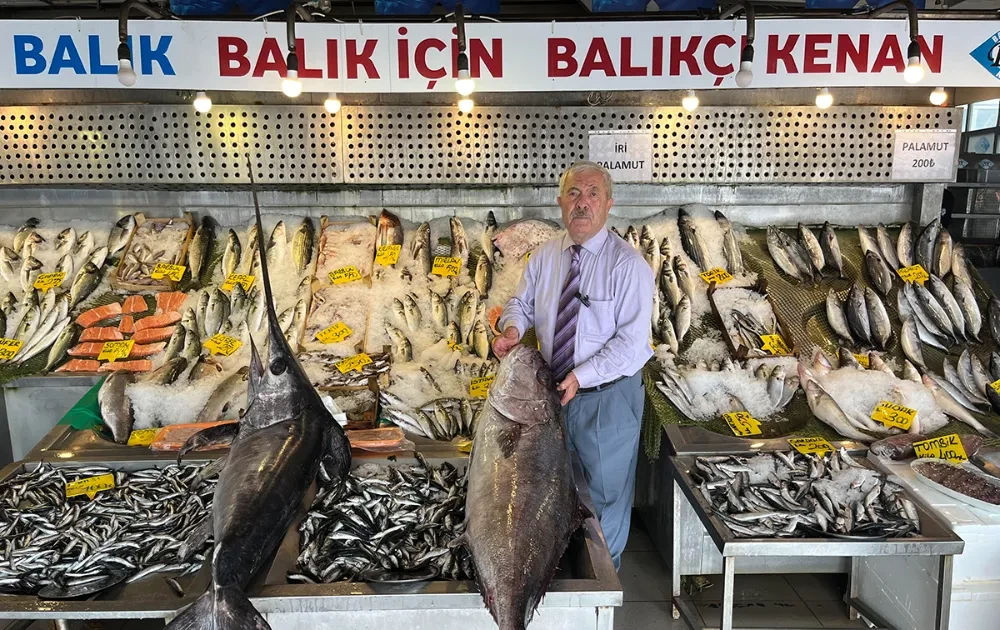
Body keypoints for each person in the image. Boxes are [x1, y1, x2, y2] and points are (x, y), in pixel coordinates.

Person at [492, 161, 653, 570]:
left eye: (593, 194)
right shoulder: (546, 255)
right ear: (561, 201)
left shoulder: (628, 265)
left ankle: (603, 583)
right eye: (574, 193)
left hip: (606, 397)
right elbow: (521, 303)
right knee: (552, 485)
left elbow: (632, 345)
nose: (583, 203)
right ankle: (557, 574)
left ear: (609, 204)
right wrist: (512, 329)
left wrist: (581, 376)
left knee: (603, 495)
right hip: (553, 394)